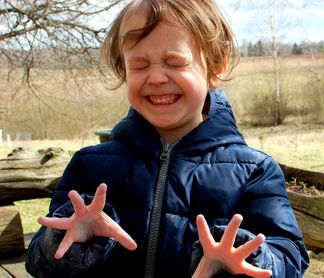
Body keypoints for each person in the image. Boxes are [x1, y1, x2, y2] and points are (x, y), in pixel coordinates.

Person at [25, 0, 309, 277]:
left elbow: (289, 255)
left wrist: (246, 257)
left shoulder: (254, 171)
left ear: (215, 67)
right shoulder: (89, 166)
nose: (157, 77)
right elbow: (38, 263)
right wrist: (67, 240)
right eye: (139, 65)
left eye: (175, 62)